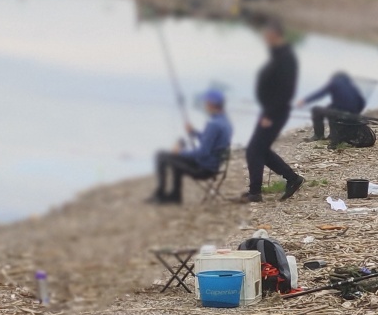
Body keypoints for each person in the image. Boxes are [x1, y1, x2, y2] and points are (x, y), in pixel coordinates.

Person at [240, 20, 301, 202]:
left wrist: (270, 114)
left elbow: (285, 90)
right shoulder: (278, 54)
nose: (264, 38)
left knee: (254, 150)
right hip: (270, 110)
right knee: (260, 149)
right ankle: (291, 178)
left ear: (275, 34)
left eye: (266, 34)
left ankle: (255, 192)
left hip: (275, 112)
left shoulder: (287, 57)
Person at [150, 87, 232, 204]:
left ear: (211, 104)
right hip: (213, 165)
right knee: (177, 155)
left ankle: (160, 195)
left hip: (203, 169)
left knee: (161, 156)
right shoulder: (224, 122)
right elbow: (210, 141)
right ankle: (174, 196)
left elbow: (203, 152)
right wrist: (193, 132)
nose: (204, 105)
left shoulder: (213, 124)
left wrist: (178, 152)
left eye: (205, 102)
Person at [297, 71, 366, 140]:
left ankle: (318, 136)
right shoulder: (352, 87)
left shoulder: (334, 83)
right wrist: (355, 113)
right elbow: (362, 102)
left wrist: (305, 101)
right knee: (329, 107)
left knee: (316, 110)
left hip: (340, 113)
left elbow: (320, 93)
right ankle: (332, 134)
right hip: (352, 114)